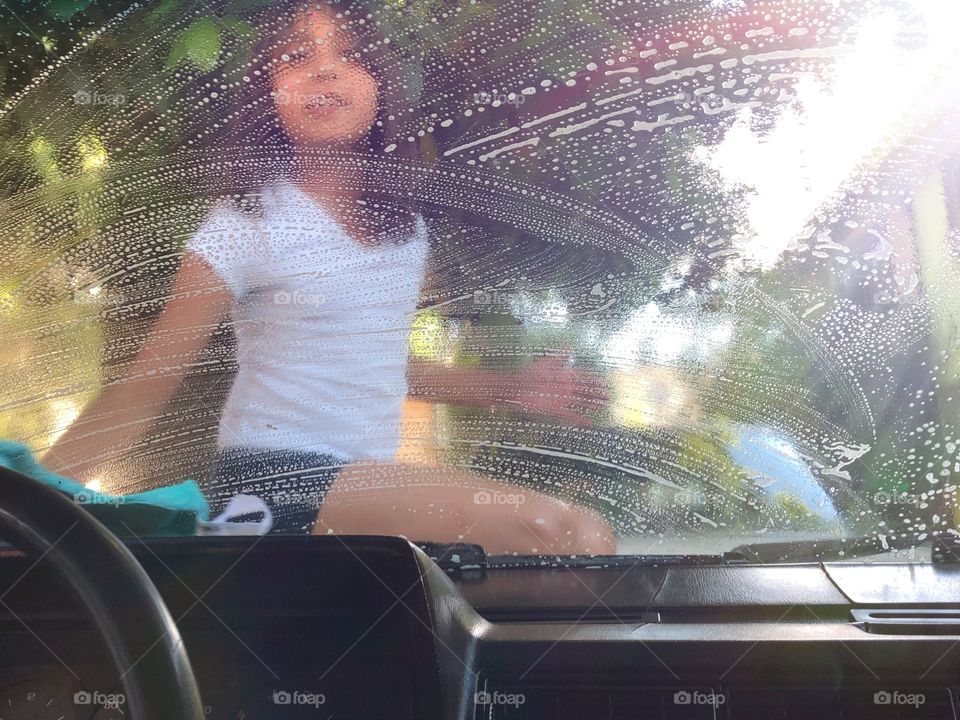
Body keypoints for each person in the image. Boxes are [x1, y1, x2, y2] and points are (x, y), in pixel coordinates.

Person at [44, 0, 613, 553]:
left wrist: (508, 390)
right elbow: (145, 384)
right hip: (268, 484)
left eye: (352, 56)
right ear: (272, 95)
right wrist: (27, 509)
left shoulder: (404, 230)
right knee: (555, 531)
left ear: (379, 90)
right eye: (295, 57)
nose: (323, 67)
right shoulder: (244, 221)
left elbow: (374, 363)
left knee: (582, 543)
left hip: (362, 483)